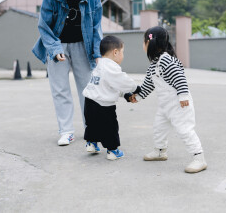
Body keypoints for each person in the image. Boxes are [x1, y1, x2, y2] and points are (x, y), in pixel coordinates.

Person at [32, 0, 102, 146]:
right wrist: (55, 49)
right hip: (57, 45)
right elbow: (44, 27)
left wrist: (97, 53)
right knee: (60, 89)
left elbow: (96, 28)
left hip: (83, 46)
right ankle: (66, 131)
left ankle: (92, 128)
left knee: (88, 89)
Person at [129, 26, 207, 173]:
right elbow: (147, 86)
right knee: (159, 127)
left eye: (143, 41)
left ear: (150, 42)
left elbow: (180, 78)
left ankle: (199, 158)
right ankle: (160, 151)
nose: (142, 45)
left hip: (179, 104)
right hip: (164, 106)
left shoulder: (167, 60)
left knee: (184, 130)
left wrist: (183, 95)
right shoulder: (153, 65)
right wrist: (137, 97)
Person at [83, 36, 141, 160]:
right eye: (122, 52)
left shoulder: (100, 65)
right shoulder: (111, 66)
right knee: (110, 128)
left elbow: (109, 86)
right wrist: (135, 88)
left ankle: (91, 144)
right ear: (115, 52)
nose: (123, 55)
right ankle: (113, 151)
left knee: (92, 125)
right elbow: (122, 80)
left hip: (89, 101)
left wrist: (125, 95)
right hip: (103, 106)